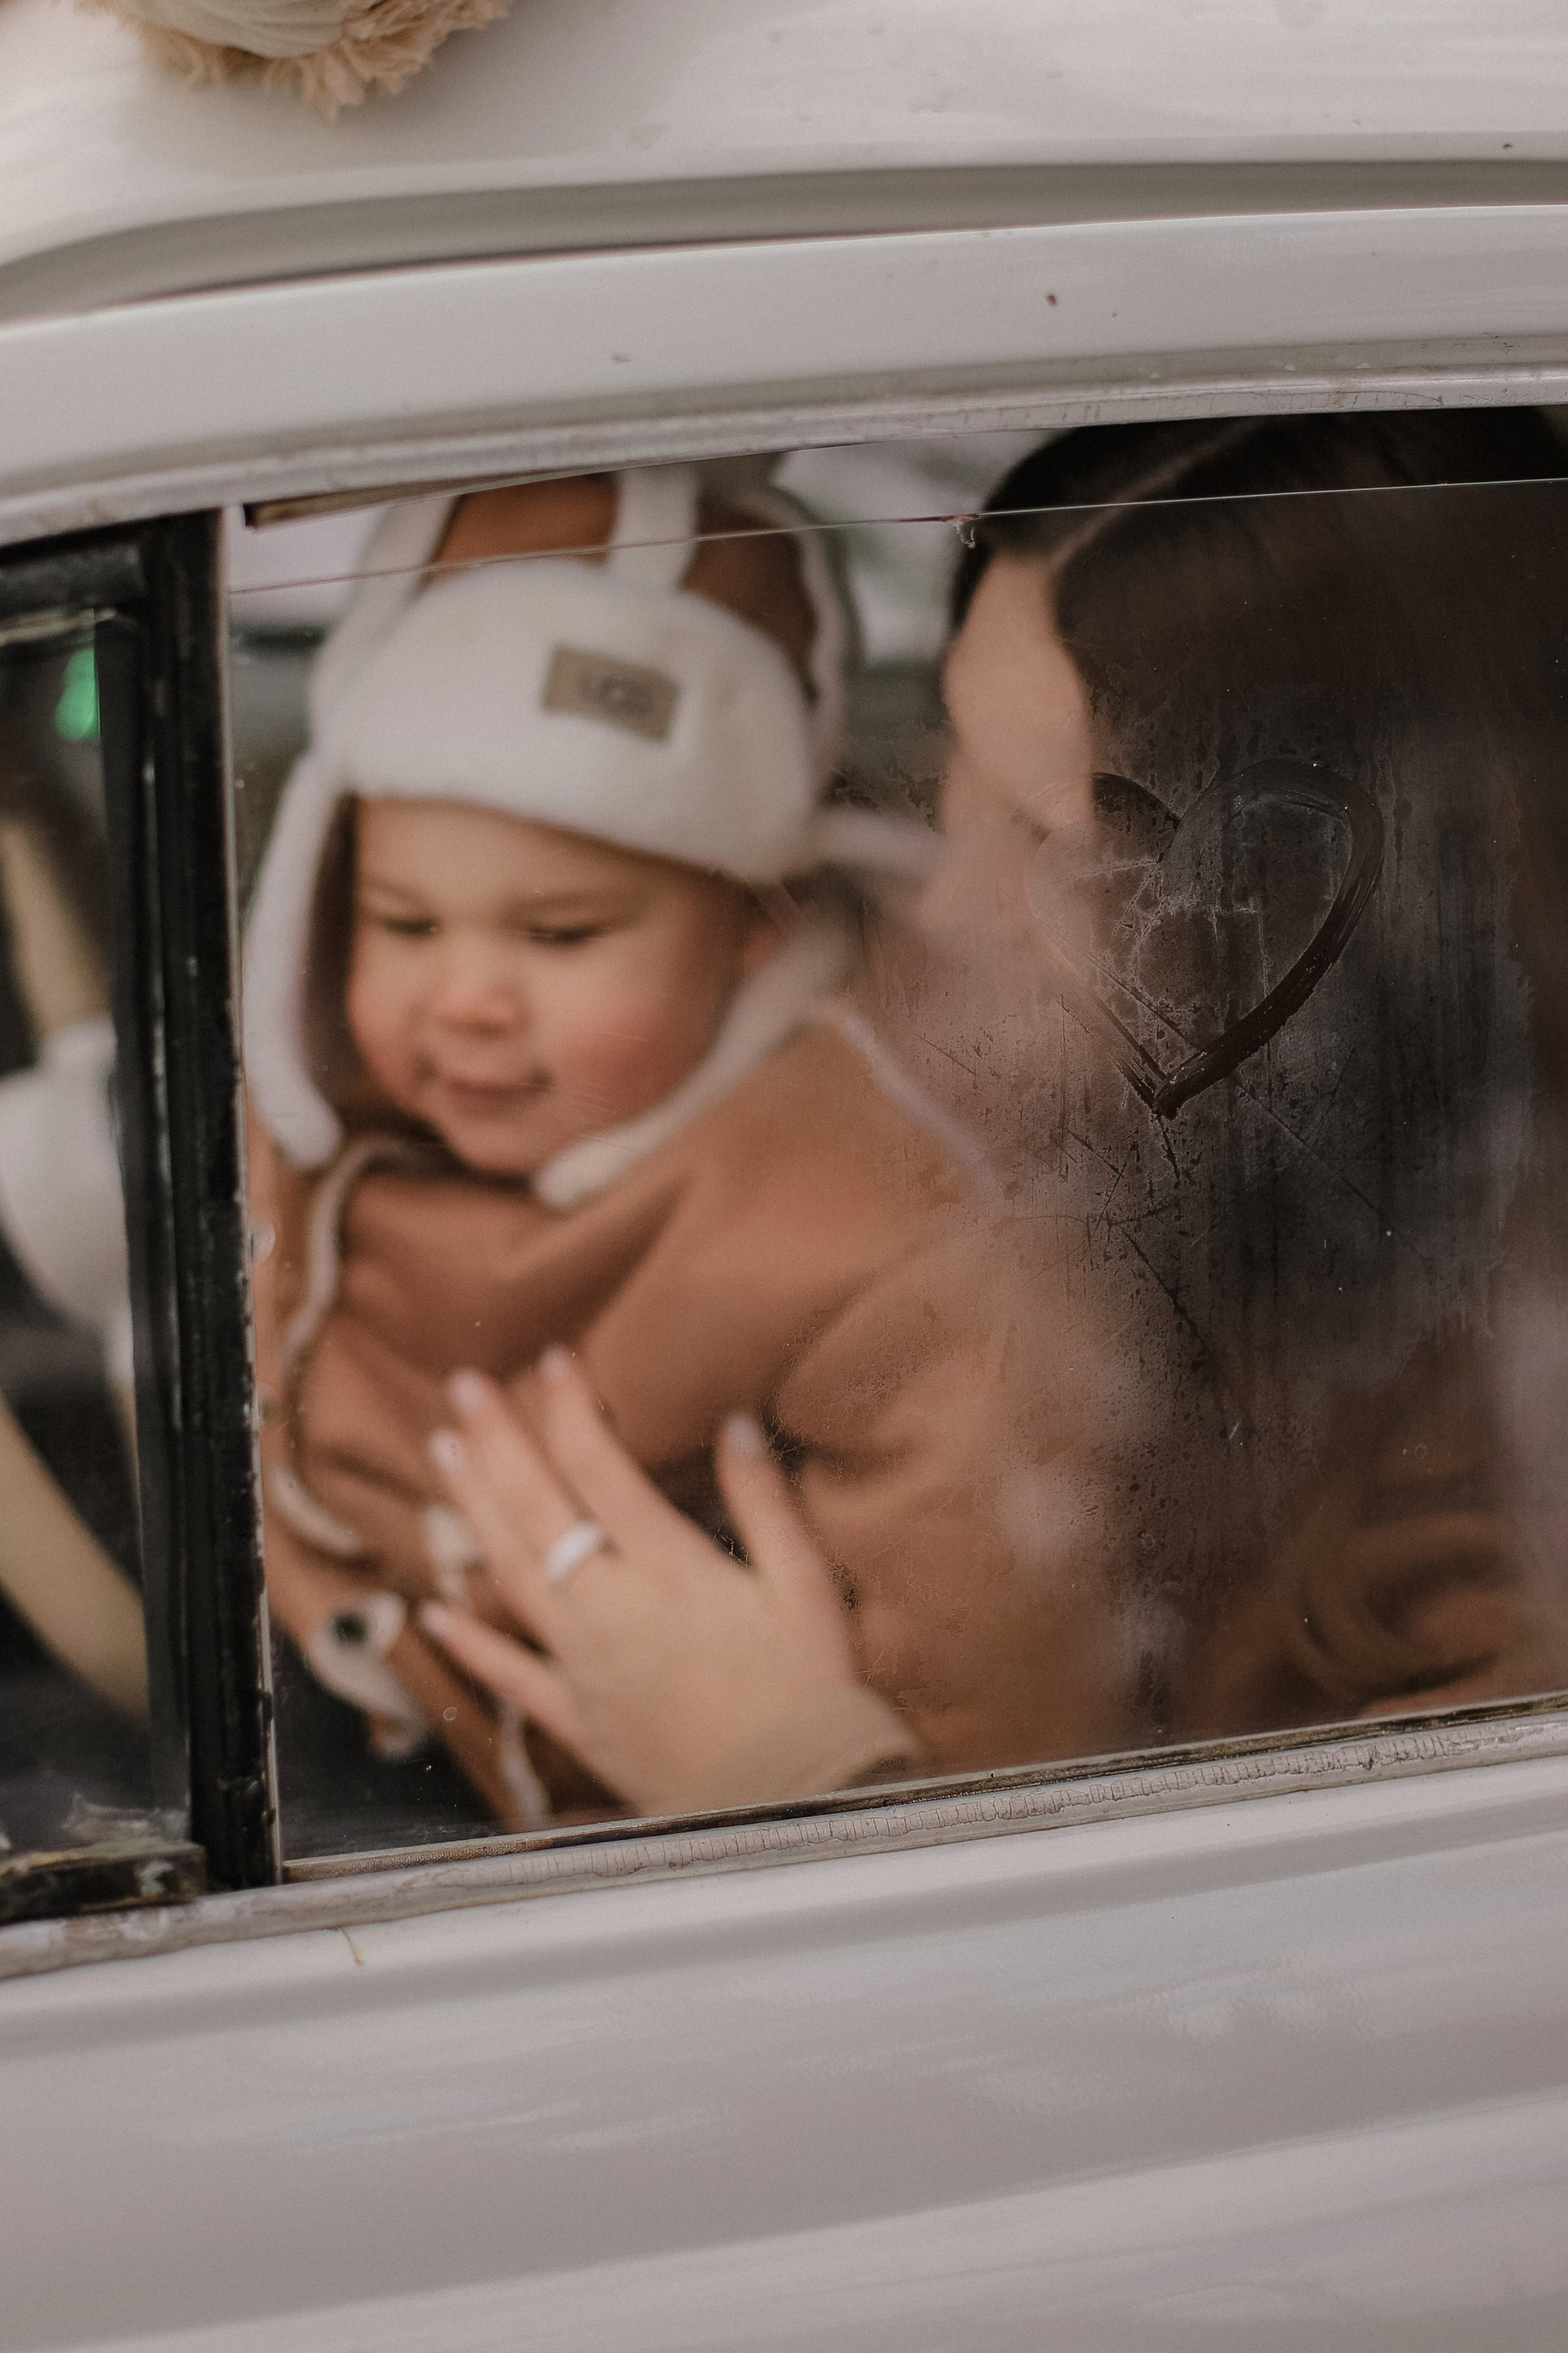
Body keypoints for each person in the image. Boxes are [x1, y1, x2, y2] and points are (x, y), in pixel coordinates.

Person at [418, 408, 1568, 1813]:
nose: (951, 904)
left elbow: (1393, 1944)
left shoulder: (1509, 1452)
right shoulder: (1178, 1179)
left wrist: (785, 1774)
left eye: (1045, 837)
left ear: (1313, 904)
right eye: (948, 760)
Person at [246, 464, 1140, 1833]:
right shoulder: (334, 1109)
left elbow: (997, 1677)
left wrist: (806, 1781)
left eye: (561, 935)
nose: (465, 999)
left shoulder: (877, 1234)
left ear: (750, 929)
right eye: (403, 922)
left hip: (655, 1829)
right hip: (340, 1697)